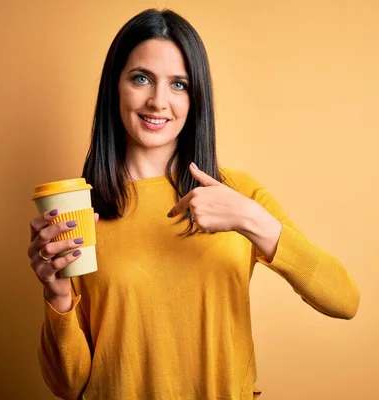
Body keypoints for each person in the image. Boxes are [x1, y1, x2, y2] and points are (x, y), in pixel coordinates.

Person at [27, 8, 359, 400]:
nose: (158, 101)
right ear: (115, 87)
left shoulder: (238, 193)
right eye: (141, 78)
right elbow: (69, 386)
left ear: (196, 96)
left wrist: (253, 220)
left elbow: (344, 300)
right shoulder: (82, 211)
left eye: (179, 84)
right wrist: (57, 294)